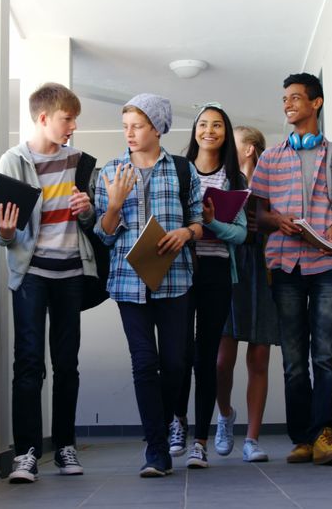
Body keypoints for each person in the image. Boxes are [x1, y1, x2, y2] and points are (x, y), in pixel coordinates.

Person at [249, 73, 332, 465]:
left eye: (296, 98)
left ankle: (325, 433)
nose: (288, 104)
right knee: (294, 359)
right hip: (285, 266)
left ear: (317, 103)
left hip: (325, 263)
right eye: (284, 99)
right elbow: (257, 213)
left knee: (325, 355)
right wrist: (276, 221)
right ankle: (303, 438)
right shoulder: (270, 158)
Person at [93, 93, 205, 477]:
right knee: (144, 364)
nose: (129, 133)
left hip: (175, 281)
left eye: (137, 126)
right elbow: (104, 236)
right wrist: (113, 204)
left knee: (176, 363)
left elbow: (199, 220)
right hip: (128, 284)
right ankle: (156, 450)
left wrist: (185, 234)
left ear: (157, 128)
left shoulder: (181, 169)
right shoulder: (110, 172)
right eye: (125, 126)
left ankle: (175, 415)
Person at [0, 82, 97, 483]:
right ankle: (27, 454)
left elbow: (95, 226)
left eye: (74, 119)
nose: (72, 127)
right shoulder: (13, 161)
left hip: (71, 273)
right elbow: (2, 233)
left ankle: (66, 446)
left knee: (67, 363)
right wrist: (3, 232)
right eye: (66, 119)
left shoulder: (81, 163)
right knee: (29, 363)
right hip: (31, 274)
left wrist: (87, 210)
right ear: (43, 118)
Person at [170, 104, 248, 469]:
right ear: (195, 131)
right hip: (182, 268)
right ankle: (177, 423)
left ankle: (200, 439)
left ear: (225, 132)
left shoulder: (233, 178)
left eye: (217, 125)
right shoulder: (177, 170)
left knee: (206, 358)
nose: (209, 130)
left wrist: (213, 224)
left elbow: (242, 233)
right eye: (203, 124)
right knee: (179, 354)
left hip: (217, 271)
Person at [214, 124, 281, 463]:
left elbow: (282, 220)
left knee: (258, 358)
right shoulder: (222, 181)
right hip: (229, 268)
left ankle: (252, 439)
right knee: (221, 360)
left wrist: (267, 219)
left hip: (264, 269)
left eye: (234, 143)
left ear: (251, 148)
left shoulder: (270, 184)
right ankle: (225, 415)